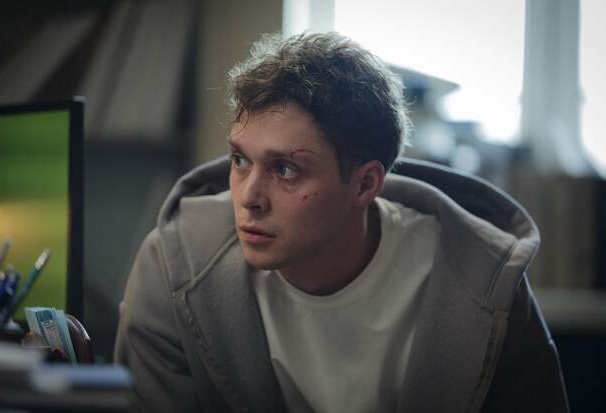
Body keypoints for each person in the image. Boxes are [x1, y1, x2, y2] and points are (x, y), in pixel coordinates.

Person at [115, 32, 568, 412]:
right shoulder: (175, 266)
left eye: (285, 169)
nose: (249, 197)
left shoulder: (485, 281)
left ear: (365, 184)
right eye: (240, 160)